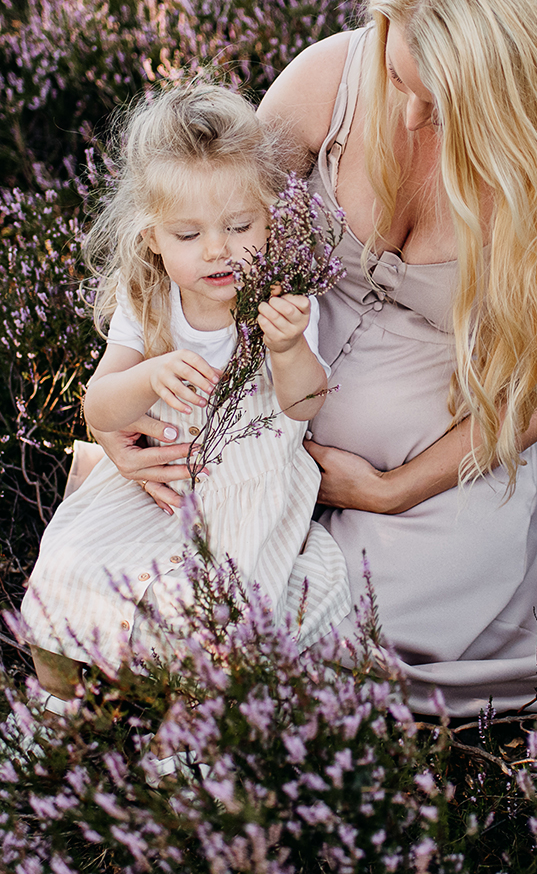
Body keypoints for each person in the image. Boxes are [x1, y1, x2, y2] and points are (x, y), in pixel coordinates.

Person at [95, 0, 537, 716]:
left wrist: (391, 492)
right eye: (401, 75)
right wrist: (119, 394)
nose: (415, 112)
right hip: (272, 380)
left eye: (453, 100)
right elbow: (197, 230)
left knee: (363, 636)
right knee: (156, 575)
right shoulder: (333, 77)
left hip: (441, 434)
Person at [20, 83, 355, 694]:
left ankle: (192, 734)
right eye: (187, 234)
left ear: (270, 217)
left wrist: (288, 350)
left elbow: (306, 406)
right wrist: (148, 374)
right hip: (158, 482)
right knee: (65, 568)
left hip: (249, 485)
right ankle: (54, 706)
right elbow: (99, 406)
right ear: (152, 237)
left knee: (215, 622)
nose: (218, 250)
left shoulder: (279, 296)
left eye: (239, 225)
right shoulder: (147, 297)